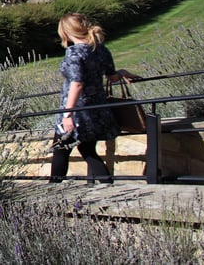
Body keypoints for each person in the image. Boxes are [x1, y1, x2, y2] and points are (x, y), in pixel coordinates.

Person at [49, 12, 138, 183]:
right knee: (88, 151)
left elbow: (77, 83)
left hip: (76, 111)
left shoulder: (74, 52)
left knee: (60, 150)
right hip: (96, 109)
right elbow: (111, 77)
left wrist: (68, 114)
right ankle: (107, 184)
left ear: (66, 32)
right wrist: (124, 73)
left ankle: (53, 190)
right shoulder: (101, 50)